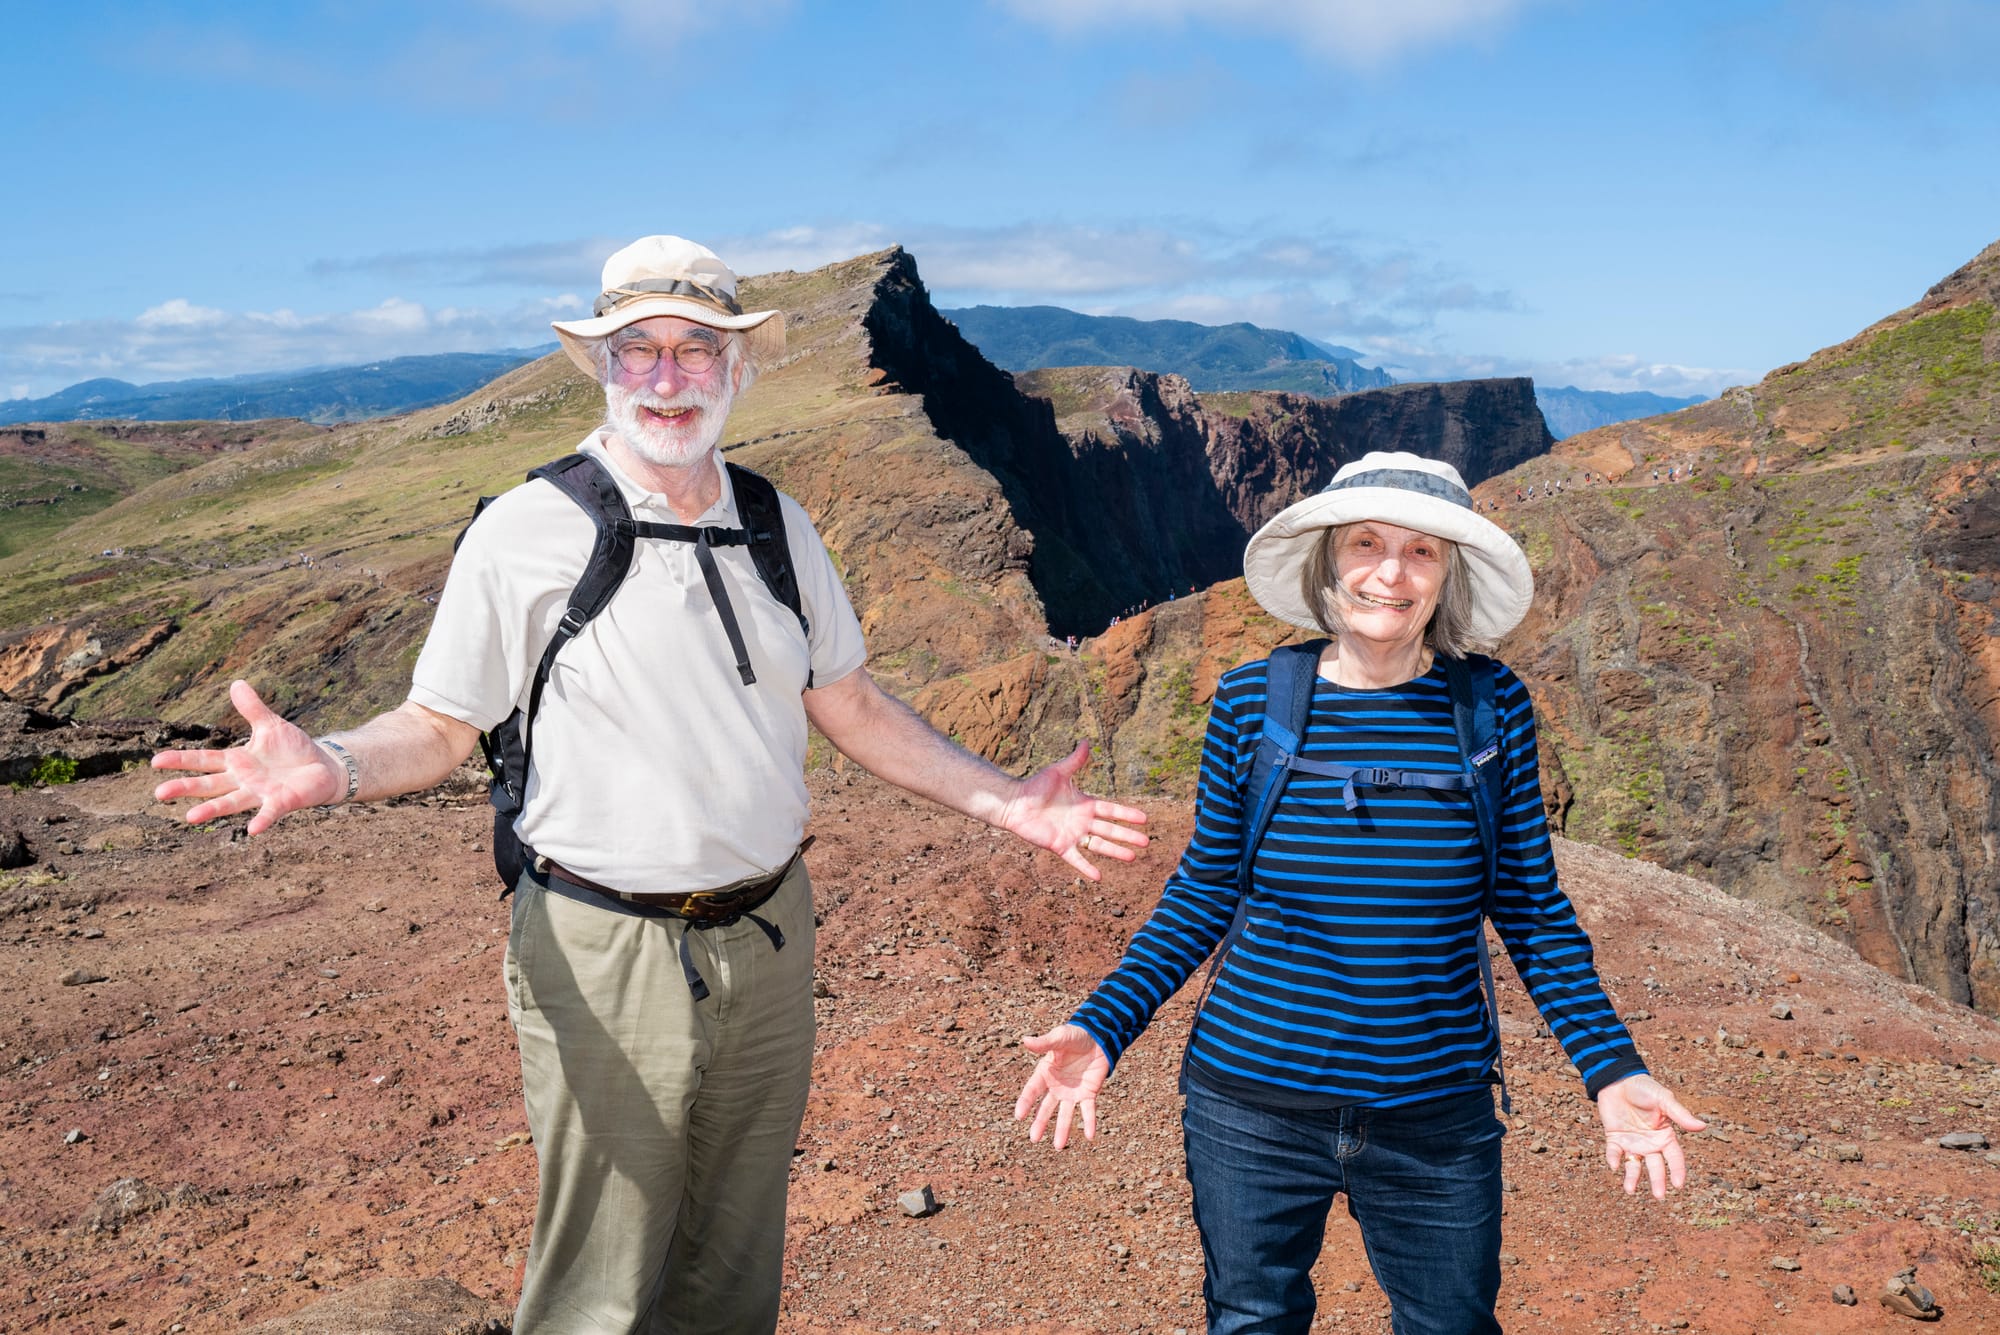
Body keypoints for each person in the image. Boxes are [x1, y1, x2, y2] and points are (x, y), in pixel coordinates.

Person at [151, 234, 1148, 1335]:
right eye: (638, 352)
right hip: (600, 943)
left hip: (767, 935)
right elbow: (439, 728)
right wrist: (332, 763)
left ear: (737, 370)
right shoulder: (526, 531)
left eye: (694, 351)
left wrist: (1008, 801)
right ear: (603, 370)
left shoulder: (775, 522)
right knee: (604, 1271)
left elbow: (850, 704)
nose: (667, 379)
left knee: (735, 1252)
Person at [1014, 451, 1700, 1335]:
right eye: (1366, 543)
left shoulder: (1492, 708)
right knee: (1252, 1318)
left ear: (1447, 574)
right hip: (1251, 1107)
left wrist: (1611, 1066)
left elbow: (1531, 908)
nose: (1390, 571)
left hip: (1437, 1115)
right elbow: (1205, 894)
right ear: (1327, 559)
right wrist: (1103, 1024)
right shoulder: (1254, 699)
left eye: (1421, 550)